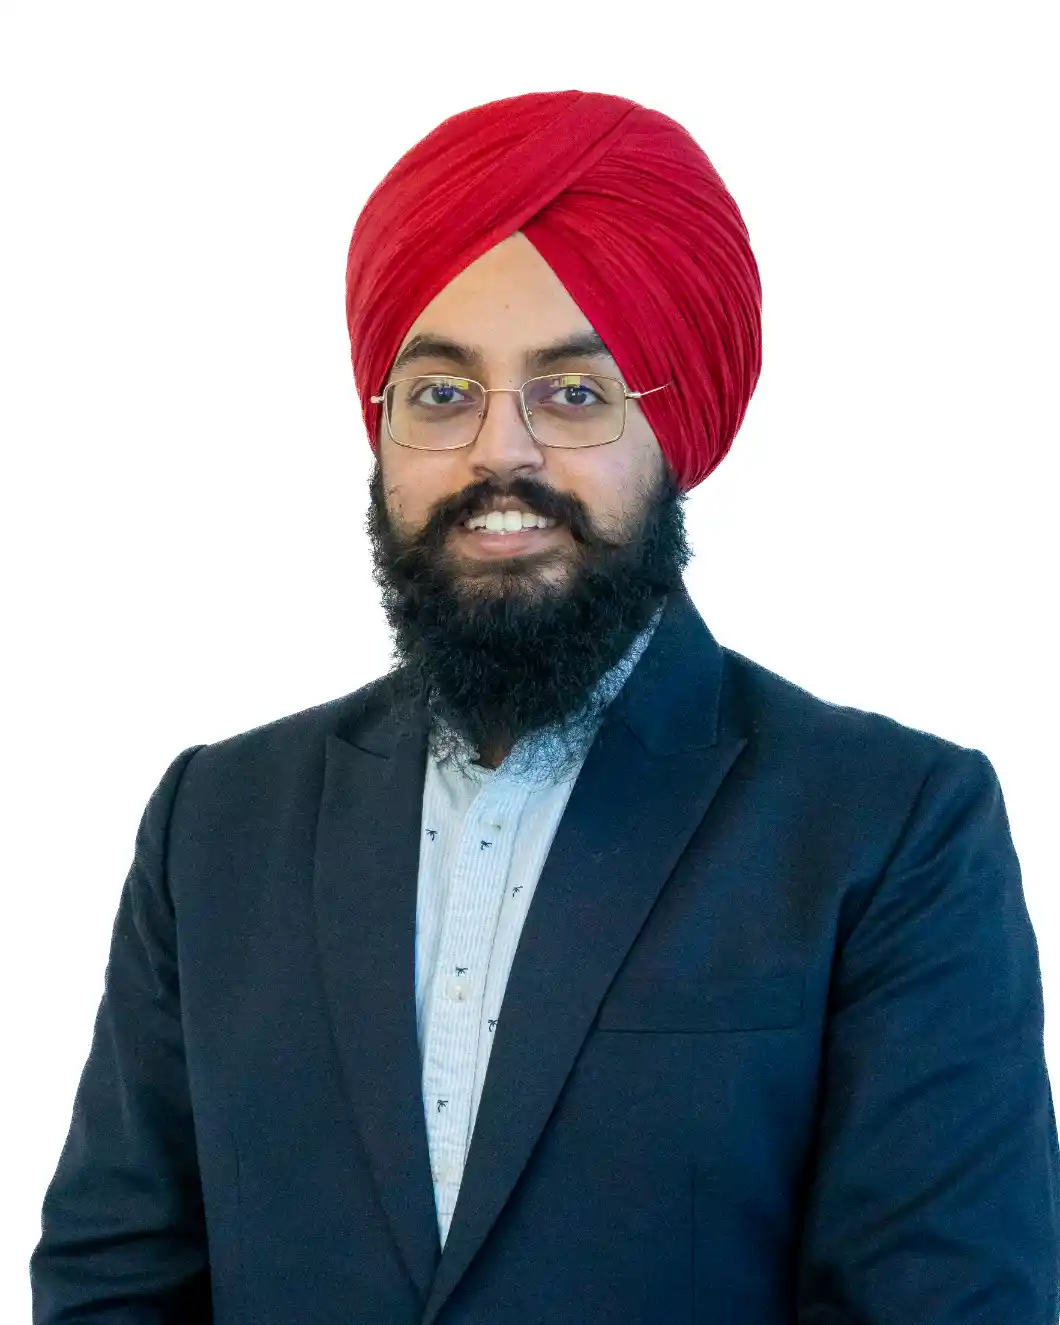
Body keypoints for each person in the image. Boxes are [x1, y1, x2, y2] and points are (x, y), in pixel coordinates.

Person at [30, 89, 1060, 1324]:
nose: (498, 454)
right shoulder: (216, 820)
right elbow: (115, 1277)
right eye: (440, 393)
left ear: (674, 429)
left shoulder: (888, 826)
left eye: (574, 393)